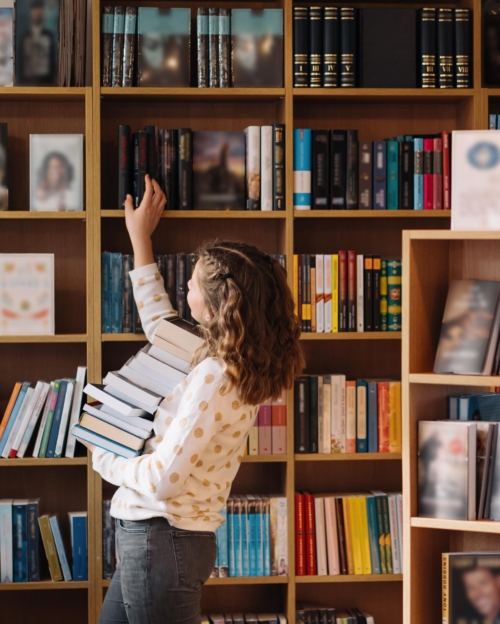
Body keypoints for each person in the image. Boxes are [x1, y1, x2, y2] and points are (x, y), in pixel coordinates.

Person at [78, 175, 304, 624]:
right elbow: (160, 321)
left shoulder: (215, 375)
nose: (186, 289)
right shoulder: (225, 355)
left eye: (194, 285)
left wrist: (103, 453)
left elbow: (165, 480)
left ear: (218, 307)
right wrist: (140, 239)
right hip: (156, 539)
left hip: (163, 540)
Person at [17, 0, 57, 85]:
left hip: (47, 84)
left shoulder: (49, 36)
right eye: (35, 9)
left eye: (40, 9)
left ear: (43, 12)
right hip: (26, 84)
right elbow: (20, 63)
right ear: (31, 12)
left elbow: (52, 63)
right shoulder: (24, 37)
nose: (37, 13)